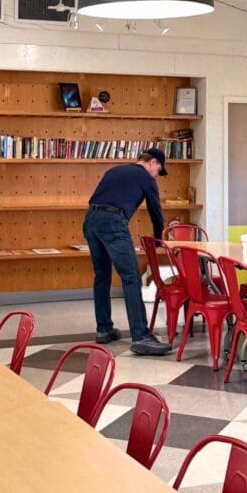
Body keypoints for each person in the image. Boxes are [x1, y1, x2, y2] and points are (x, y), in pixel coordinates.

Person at [83, 148, 173, 356]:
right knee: (131, 277)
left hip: (90, 221)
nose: (156, 175)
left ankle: (104, 329)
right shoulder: (146, 179)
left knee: (102, 276)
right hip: (113, 223)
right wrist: (158, 240)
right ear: (152, 162)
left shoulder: (114, 171)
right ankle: (141, 336)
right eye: (158, 170)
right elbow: (156, 212)